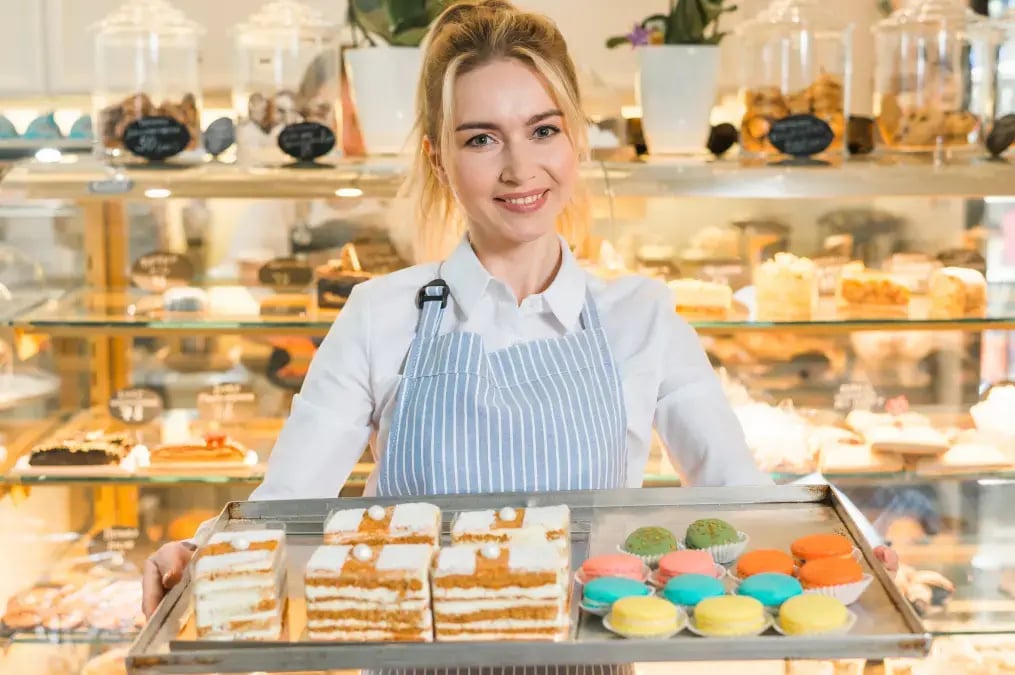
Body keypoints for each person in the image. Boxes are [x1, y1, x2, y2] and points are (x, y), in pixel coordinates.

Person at [143, 0, 898, 636]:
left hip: (589, 656)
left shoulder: (640, 314)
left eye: (542, 130)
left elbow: (737, 493)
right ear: (440, 159)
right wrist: (197, 550)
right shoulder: (382, 313)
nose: (518, 169)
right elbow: (286, 504)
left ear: (572, 137)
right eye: (480, 139)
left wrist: (844, 550)